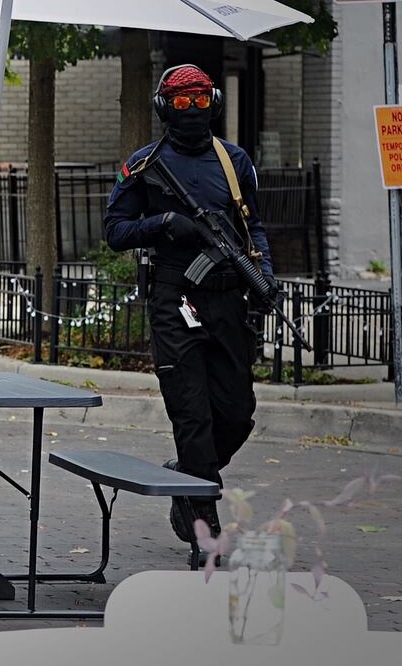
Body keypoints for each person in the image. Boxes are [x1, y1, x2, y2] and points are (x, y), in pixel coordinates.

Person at [104, 64, 271, 546]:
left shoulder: (233, 160)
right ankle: (204, 522)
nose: (193, 110)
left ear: (214, 103)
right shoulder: (144, 163)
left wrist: (265, 276)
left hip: (227, 297)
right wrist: (163, 223)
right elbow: (115, 231)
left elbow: (253, 226)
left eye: (200, 101)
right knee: (192, 413)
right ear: (164, 108)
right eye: (182, 102)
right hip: (175, 297)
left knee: (237, 414)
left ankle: (187, 477)